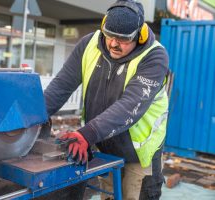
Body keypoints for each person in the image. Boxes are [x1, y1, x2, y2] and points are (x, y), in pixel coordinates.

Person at [43, 0, 169, 199]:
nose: (113, 44)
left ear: (140, 35)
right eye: (109, 35)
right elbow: (61, 85)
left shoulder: (154, 56)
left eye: (123, 39)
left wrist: (87, 134)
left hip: (140, 154)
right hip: (105, 145)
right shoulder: (89, 44)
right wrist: (33, 116)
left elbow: (130, 105)